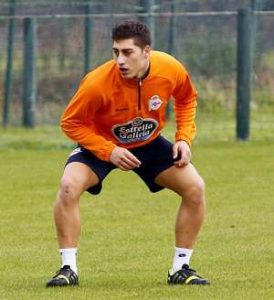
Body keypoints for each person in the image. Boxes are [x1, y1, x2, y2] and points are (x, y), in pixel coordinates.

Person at [46, 20, 209, 287]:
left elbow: (187, 98)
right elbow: (70, 122)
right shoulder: (97, 83)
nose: (120, 60)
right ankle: (67, 269)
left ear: (147, 51)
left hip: (150, 143)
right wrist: (108, 150)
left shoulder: (169, 68)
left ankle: (180, 269)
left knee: (195, 188)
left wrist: (184, 139)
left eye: (127, 52)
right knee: (68, 187)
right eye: (115, 52)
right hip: (101, 144)